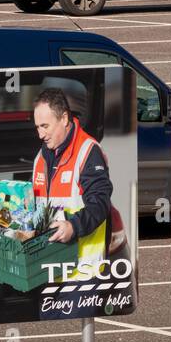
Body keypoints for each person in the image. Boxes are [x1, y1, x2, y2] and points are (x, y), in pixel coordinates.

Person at [32, 88, 114, 280]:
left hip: (83, 272)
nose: (40, 134)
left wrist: (73, 226)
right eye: (37, 127)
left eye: (45, 126)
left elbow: (100, 203)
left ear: (64, 118)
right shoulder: (41, 157)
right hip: (49, 270)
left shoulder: (87, 151)